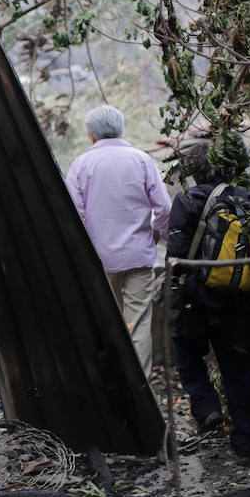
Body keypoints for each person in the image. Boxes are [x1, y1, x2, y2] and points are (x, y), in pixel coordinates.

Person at [165, 133, 250, 461]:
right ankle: (246, 447)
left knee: (184, 352)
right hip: (241, 304)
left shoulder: (189, 201)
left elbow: (176, 255)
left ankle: (206, 407)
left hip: (198, 302)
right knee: (240, 371)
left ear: (197, 169)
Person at [65, 105, 172, 379]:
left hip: (97, 259)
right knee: (138, 322)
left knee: (104, 321)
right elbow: (165, 209)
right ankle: (141, 389)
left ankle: (111, 383)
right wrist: (158, 233)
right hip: (138, 255)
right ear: (121, 129)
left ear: (91, 136)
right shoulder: (142, 160)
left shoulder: (81, 165)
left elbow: (72, 215)